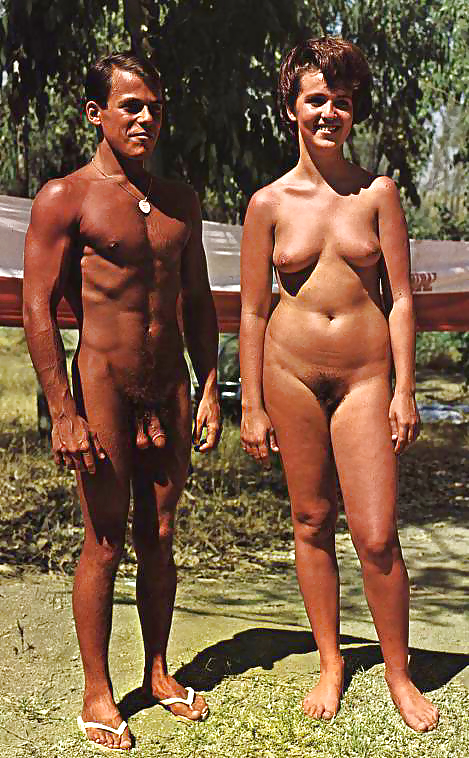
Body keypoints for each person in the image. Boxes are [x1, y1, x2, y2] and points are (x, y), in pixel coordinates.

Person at [239, 37, 439, 732]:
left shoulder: (377, 193)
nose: (329, 112)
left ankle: (398, 672)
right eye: (316, 99)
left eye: (342, 102)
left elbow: (402, 299)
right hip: (289, 375)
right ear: (291, 107)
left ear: (354, 111)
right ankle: (330, 661)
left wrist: (404, 388)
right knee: (311, 520)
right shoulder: (266, 203)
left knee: (376, 534)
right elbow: (253, 310)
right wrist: (251, 403)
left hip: (364, 377)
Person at [23, 51, 221, 750]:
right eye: (130, 106)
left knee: (160, 536)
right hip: (102, 386)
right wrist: (63, 411)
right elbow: (38, 306)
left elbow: (197, 300)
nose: (145, 118)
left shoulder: (180, 201)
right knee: (105, 539)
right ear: (95, 114)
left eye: (154, 108)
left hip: (168, 388)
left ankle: (159, 672)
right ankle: (98, 690)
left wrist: (210, 387)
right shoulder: (65, 197)